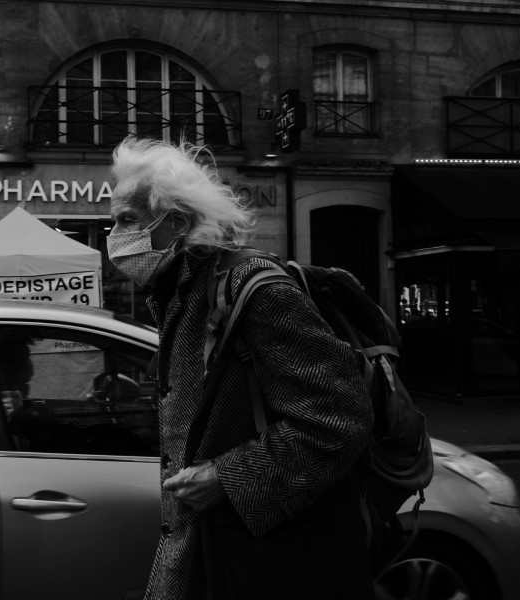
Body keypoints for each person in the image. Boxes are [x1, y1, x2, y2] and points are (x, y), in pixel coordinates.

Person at [106, 136, 376, 600]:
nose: (114, 236)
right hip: (216, 550)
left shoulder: (257, 292)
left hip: (259, 561)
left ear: (175, 223)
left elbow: (338, 419)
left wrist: (225, 478)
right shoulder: (180, 295)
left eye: (126, 220)